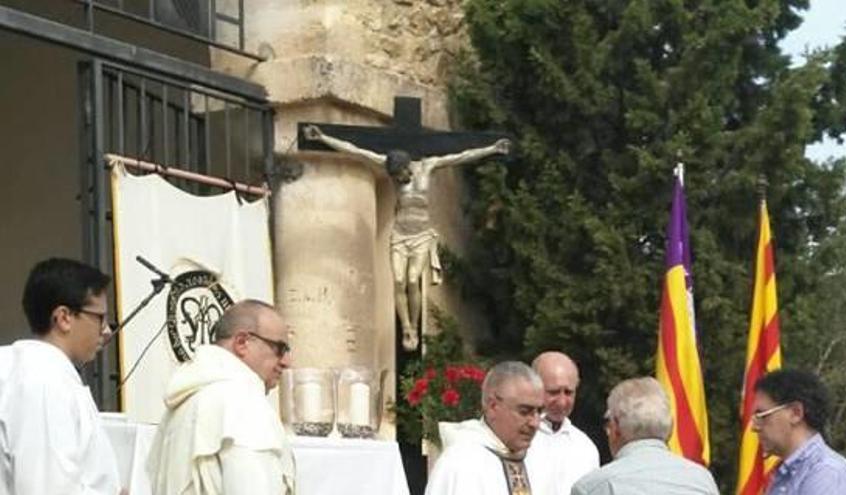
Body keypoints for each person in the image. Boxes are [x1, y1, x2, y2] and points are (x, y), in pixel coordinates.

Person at [304, 124, 511, 351]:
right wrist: (323, 137)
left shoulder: (428, 166)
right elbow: (355, 150)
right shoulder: (389, 167)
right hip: (400, 234)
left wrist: (492, 148)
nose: (398, 180)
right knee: (398, 281)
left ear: (407, 168)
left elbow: (462, 155)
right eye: (394, 177)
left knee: (413, 279)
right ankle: (407, 329)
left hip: (421, 234)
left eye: (400, 175)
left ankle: (414, 323)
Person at [147, 299, 296, 495]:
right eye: (279, 348)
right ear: (242, 343)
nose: (287, 362)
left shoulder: (187, 399)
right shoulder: (242, 401)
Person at [0, 258, 122, 494]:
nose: (106, 331)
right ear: (64, 317)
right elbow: (46, 487)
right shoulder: (44, 380)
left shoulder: (30, 369)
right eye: (100, 318)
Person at [571, 377, 719, 495]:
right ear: (671, 428)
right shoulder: (702, 480)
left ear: (616, 427)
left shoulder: (594, 487)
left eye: (608, 422)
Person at [425, 361, 549, 495]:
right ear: (493, 406)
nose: (535, 423)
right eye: (524, 412)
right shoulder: (461, 463)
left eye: (540, 411)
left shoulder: (540, 459)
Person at [751, 369, 846, 495]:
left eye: (762, 416)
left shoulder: (826, 473)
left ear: (796, 413)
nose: (754, 427)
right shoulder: (787, 473)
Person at [528, 352, 599, 495]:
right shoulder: (516, 437)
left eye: (568, 392)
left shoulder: (585, 447)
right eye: (553, 392)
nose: (562, 402)